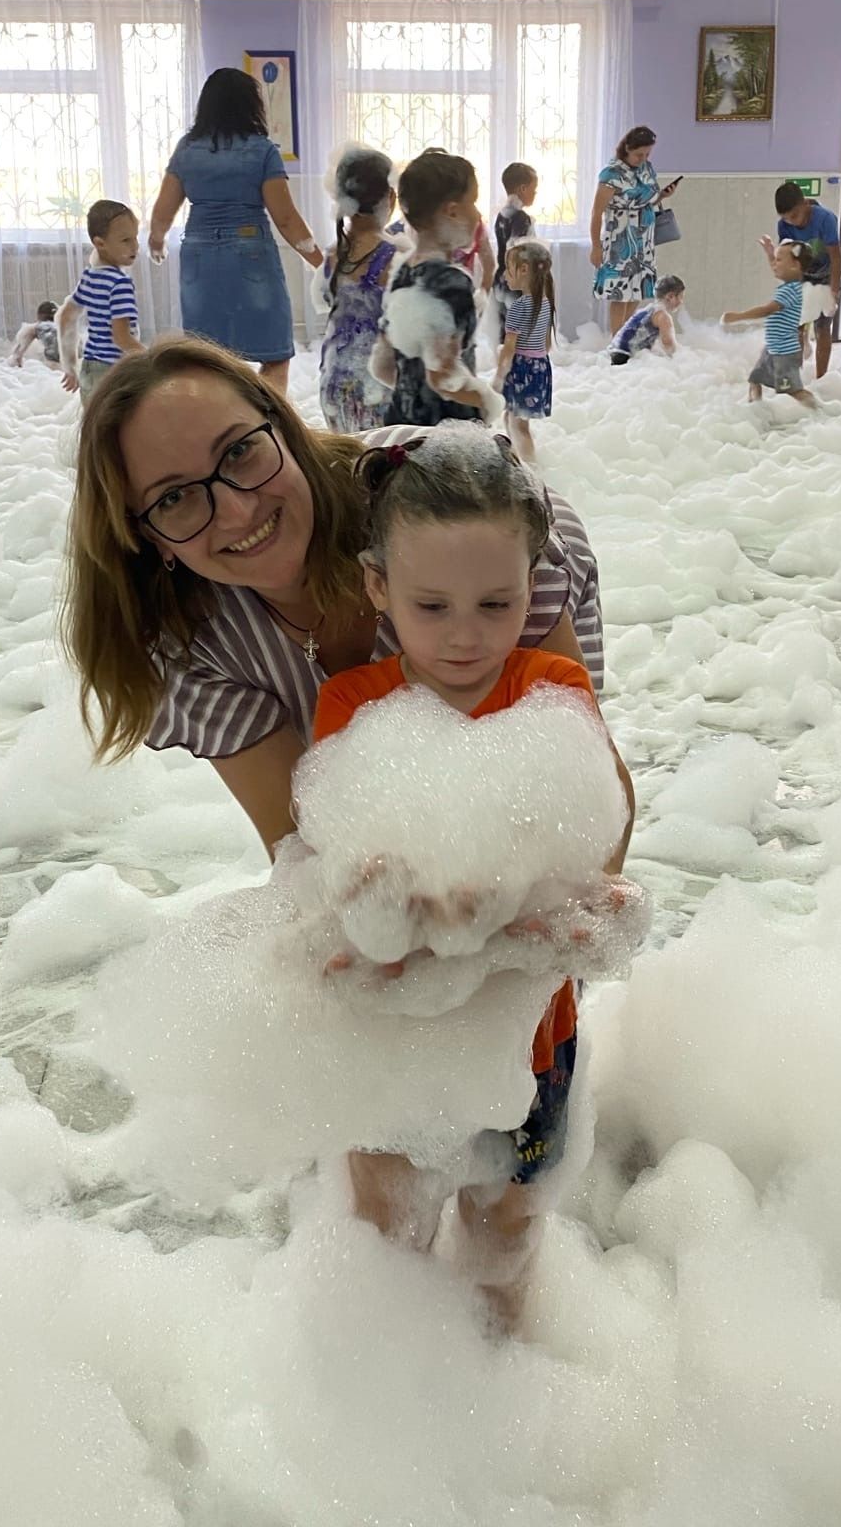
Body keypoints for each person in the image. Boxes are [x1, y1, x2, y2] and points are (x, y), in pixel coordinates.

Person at [310, 431, 634, 1328]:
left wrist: (564, 905)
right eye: (432, 604)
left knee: (504, 1237)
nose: (466, 634)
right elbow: (341, 862)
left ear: (534, 584)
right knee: (386, 1229)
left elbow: (591, 845)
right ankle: (398, 1387)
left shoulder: (553, 689)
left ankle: (499, 1381)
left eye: (497, 603)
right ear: (378, 588)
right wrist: (374, 900)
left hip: (533, 1043)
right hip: (398, 1046)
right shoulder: (355, 706)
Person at [61, 337, 604, 857]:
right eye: (174, 497)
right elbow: (306, 854)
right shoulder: (189, 646)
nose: (237, 511)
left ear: (284, 430)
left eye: (240, 452)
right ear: (145, 538)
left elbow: (585, 795)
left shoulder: (442, 516)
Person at [148, 67, 322, 395]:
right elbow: (286, 219)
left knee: (205, 358)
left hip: (197, 255)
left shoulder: (186, 149)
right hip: (249, 253)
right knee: (273, 352)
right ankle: (267, 423)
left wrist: (157, 245)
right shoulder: (262, 150)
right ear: (251, 105)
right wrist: (322, 264)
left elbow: (161, 216)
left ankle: (215, 425)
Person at [371, 149, 494, 427]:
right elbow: (444, 379)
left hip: (402, 424)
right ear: (452, 212)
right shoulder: (453, 283)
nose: (477, 213)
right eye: (473, 203)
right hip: (447, 434)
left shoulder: (403, 271)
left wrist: (411, 394)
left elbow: (382, 366)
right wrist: (489, 401)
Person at [318, 145, 399, 434]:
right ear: (391, 197)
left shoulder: (332, 254)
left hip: (333, 382)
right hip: (377, 388)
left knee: (350, 464)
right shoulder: (394, 256)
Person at [590, 126, 680, 338]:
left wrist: (663, 196)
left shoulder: (646, 169)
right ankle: (616, 340)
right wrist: (596, 246)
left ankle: (626, 336)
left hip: (644, 241)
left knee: (637, 290)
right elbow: (596, 213)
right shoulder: (611, 174)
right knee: (619, 293)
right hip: (619, 241)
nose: (643, 158)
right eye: (639, 154)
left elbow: (647, 199)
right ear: (627, 149)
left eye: (647, 154)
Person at [59, 200, 143, 404]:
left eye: (135, 238)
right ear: (100, 244)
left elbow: (65, 317)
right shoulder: (120, 283)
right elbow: (121, 337)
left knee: (94, 429)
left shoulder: (90, 276)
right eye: (125, 240)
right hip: (114, 371)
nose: (135, 246)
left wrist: (69, 366)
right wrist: (149, 357)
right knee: (117, 430)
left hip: (89, 367)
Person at [722, 239, 817, 410]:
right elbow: (779, 270)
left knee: (793, 391)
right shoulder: (792, 285)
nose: (774, 264)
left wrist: (738, 317)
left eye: (778, 260)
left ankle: (820, 411)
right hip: (773, 349)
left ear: (795, 265)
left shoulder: (790, 290)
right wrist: (770, 254)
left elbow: (767, 310)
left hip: (785, 353)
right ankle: (755, 412)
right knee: (754, 379)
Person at [761, 183, 841, 379]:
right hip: (801, 274)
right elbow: (788, 258)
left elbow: (836, 256)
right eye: (786, 218)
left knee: (823, 327)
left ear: (805, 204)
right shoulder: (784, 225)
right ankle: (794, 373)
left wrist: (834, 288)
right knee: (794, 323)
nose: (792, 222)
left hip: (825, 274)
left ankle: (821, 378)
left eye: (795, 216)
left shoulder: (825, 219)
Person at [494, 238, 556, 464]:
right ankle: (517, 459)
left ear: (523, 270)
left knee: (518, 423)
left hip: (522, 369)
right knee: (514, 418)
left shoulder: (519, 307)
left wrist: (498, 378)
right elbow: (546, 344)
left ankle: (529, 468)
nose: (504, 276)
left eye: (507, 270)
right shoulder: (545, 302)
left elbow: (509, 349)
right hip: (540, 367)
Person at [607, 275, 685, 365]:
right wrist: (681, 359)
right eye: (680, 297)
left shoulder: (649, 309)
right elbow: (668, 344)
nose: (681, 301)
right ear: (670, 296)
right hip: (623, 358)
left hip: (613, 352)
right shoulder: (663, 316)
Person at [9, 299, 62, 370]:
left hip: (54, 365)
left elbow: (17, 356)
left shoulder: (34, 328)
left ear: (39, 315)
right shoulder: (66, 327)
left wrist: (17, 369)